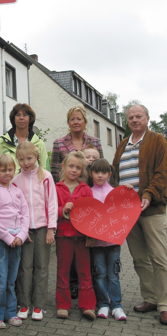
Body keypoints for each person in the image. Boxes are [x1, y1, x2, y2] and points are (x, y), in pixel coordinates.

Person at [113, 104, 167, 326]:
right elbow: (116, 175)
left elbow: (163, 173)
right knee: (139, 259)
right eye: (131, 117)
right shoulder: (123, 145)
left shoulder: (158, 141)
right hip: (129, 212)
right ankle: (151, 298)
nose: (134, 120)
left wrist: (149, 194)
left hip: (152, 208)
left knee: (160, 258)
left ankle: (165, 305)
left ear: (147, 118)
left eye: (138, 116)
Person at [51, 104, 103, 299]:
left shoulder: (95, 142)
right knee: (68, 244)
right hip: (68, 195)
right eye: (72, 119)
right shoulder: (59, 144)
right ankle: (72, 286)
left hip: (89, 194)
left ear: (85, 121)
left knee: (85, 242)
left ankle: (88, 286)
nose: (76, 122)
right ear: (68, 122)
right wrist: (61, 197)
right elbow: (56, 172)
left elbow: (101, 168)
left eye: (79, 118)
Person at [12, 142, 57, 321]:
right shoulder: (16, 180)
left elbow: (52, 204)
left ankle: (38, 305)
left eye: (29, 158)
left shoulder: (45, 177)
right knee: (25, 267)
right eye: (21, 159)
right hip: (24, 230)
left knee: (41, 267)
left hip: (42, 228)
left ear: (36, 157)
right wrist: (19, 230)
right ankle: (24, 304)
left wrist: (51, 229)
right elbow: (14, 207)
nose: (25, 162)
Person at [0, 154, 29, 329]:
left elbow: (25, 214)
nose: (7, 173)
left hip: (16, 241)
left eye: (10, 169)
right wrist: (8, 237)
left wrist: (21, 236)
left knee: (11, 280)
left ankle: (10, 313)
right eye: (3, 170)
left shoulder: (17, 191)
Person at [55, 151, 96, 321]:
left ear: (82, 171)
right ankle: (63, 305)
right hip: (64, 236)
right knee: (63, 272)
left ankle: (87, 306)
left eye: (78, 168)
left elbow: (92, 213)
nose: (74, 170)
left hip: (81, 238)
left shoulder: (86, 189)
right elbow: (51, 210)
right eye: (71, 166)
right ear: (63, 167)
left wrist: (91, 235)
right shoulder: (56, 188)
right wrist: (63, 209)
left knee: (84, 272)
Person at [87, 159, 128, 321]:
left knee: (113, 274)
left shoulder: (115, 192)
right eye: (96, 172)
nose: (100, 175)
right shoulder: (88, 193)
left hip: (113, 242)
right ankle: (103, 303)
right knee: (99, 273)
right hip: (96, 243)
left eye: (104, 172)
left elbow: (124, 211)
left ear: (109, 174)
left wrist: (128, 191)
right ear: (90, 174)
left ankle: (116, 305)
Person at [0, 103, 49, 176]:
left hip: (33, 186)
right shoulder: (2, 142)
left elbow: (45, 170)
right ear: (14, 118)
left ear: (30, 119)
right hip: (7, 186)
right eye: (18, 115)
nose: (21, 118)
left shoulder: (39, 143)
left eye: (25, 115)